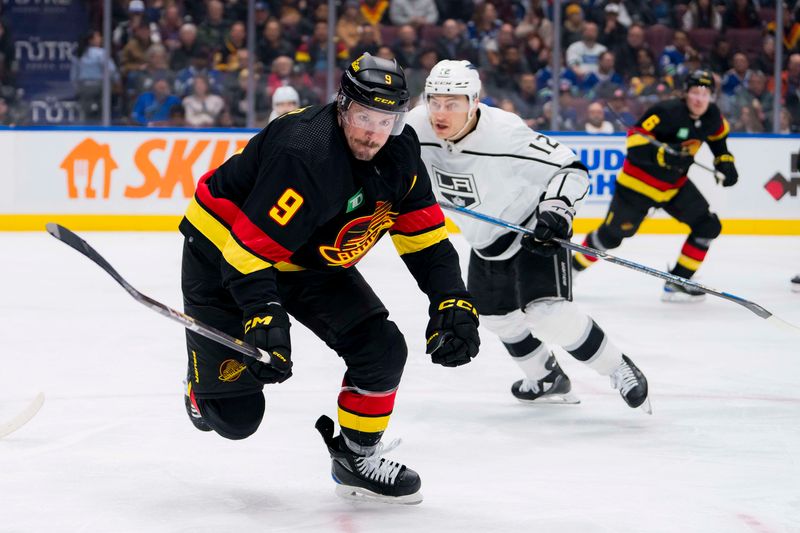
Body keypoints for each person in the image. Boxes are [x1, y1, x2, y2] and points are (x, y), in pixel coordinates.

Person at [178, 53, 480, 505]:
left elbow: (426, 239)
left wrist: (452, 301)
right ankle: (201, 392)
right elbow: (248, 252)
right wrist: (264, 316)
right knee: (236, 417)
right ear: (342, 106)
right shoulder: (306, 154)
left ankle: (356, 459)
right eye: (363, 116)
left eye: (387, 120)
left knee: (382, 351)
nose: (373, 132)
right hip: (223, 251)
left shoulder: (400, 152)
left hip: (307, 261)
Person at [405, 60, 650, 412]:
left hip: (531, 228)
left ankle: (618, 367)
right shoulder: (415, 127)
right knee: (495, 318)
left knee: (549, 314)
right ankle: (547, 378)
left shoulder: (504, 132)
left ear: (474, 102)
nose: (440, 112)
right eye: (435, 101)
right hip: (484, 240)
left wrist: (557, 209)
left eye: (452, 103)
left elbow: (570, 168)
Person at [572, 70, 739, 302]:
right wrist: (663, 156)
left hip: (673, 187)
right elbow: (634, 143)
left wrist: (726, 163)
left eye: (705, 93)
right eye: (694, 92)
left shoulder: (713, 117)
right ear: (685, 93)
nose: (699, 99)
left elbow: (719, 143)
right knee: (611, 237)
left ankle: (678, 282)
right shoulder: (666, 111)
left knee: (707, 226)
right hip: (636, 187)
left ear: (712, 95)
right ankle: (570, 270)